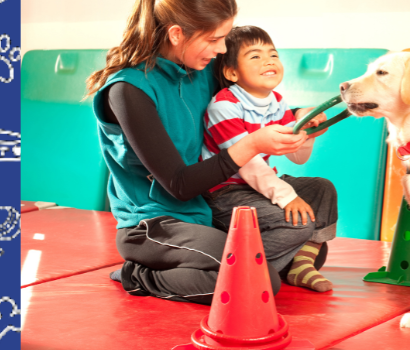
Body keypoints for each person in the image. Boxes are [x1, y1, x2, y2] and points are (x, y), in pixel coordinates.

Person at [84, 0, 327, 305]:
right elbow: (180, 185)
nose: (223, 49)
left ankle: (229, 262)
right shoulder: (128, 91)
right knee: (260, 281)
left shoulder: (199, 66)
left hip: (207, 212)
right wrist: (252, 144)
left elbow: (243, 102)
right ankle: (139, 276)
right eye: (214, 39)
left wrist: (298, 116)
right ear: (176, 34)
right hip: (155, 224)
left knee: (310, 238)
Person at [201, 25, 337, 293]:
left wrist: (308, 131)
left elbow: (297, 156)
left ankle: (301, 265)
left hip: (259, 184)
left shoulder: (277, 101)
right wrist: (287, 197)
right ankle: (243, 271)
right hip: (226, 192)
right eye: (255, 56)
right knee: (298, 223)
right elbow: (246, 164)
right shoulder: (224, 106)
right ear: (231, 72)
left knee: (322, 189)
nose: (268, 61)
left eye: (272, 54)